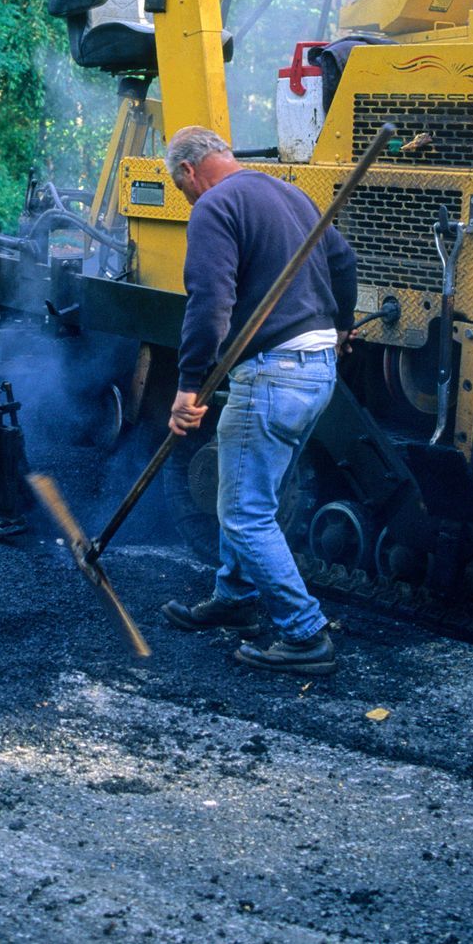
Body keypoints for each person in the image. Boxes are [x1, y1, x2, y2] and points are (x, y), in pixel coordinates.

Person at [157, 126, 358, 675]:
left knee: (244, 513)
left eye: (181, 187)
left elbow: (209, 300)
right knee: (249, 490)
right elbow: (342, 261)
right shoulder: (287, 192)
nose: (187, 196)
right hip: (318, 370)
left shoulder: (214, 206)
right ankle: (236, 599)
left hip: (273, 374)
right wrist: (340, 326)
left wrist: (188, 386)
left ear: (189, 171)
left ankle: (304, 634)